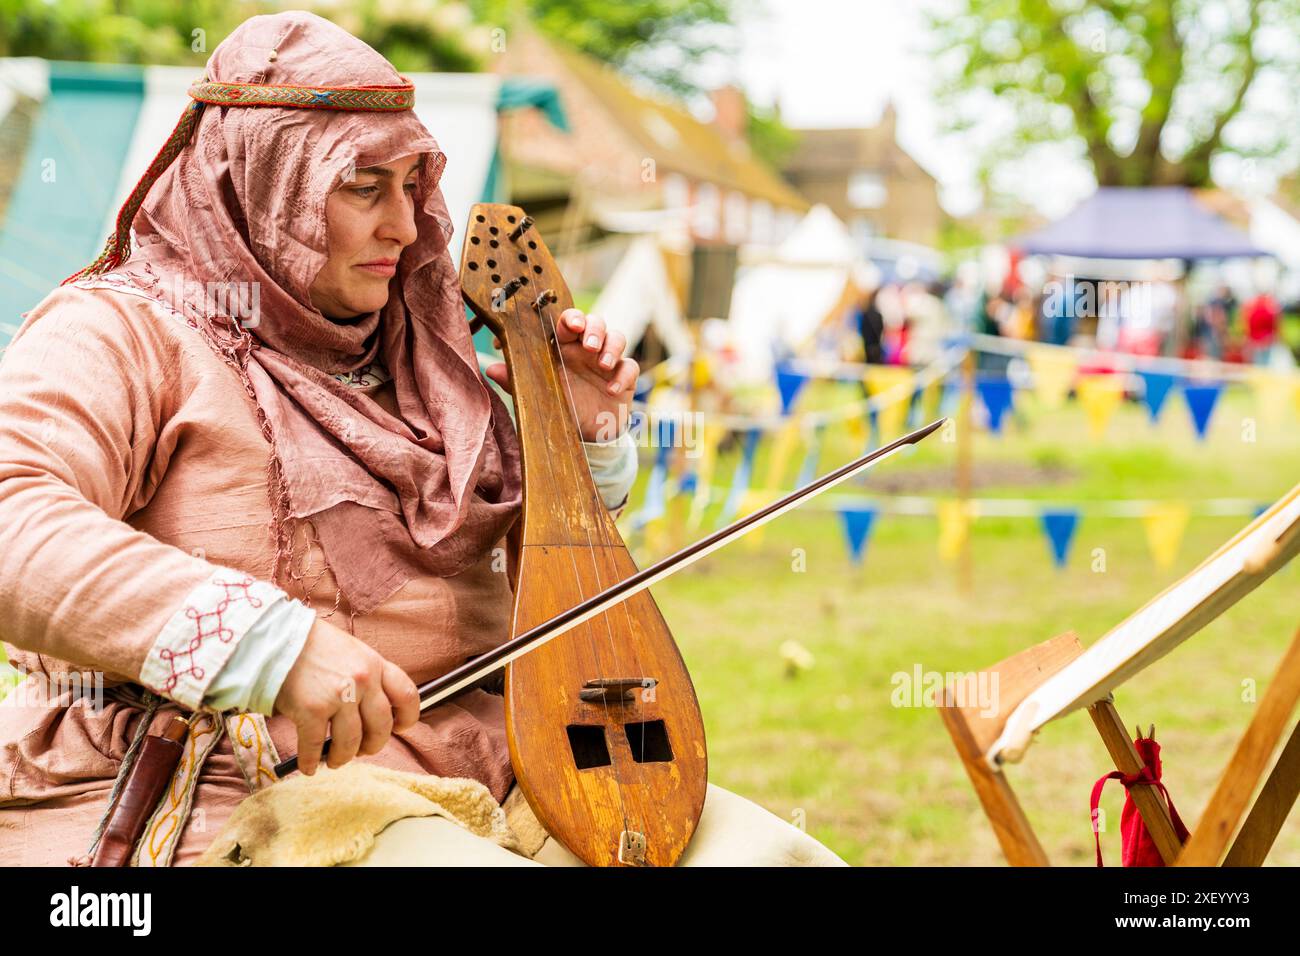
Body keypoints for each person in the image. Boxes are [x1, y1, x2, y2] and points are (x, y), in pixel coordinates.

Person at [0, 11, 844, 868]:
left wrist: (574, 441)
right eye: (364, 186)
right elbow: (11, 522)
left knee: (779, 860)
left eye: (412, 185)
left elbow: (543, 592)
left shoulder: (423, 350)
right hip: (257, 787)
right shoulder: (120, 331)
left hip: (513, 771)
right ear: (259, 181)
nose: (403, 226)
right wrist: (267, 642)